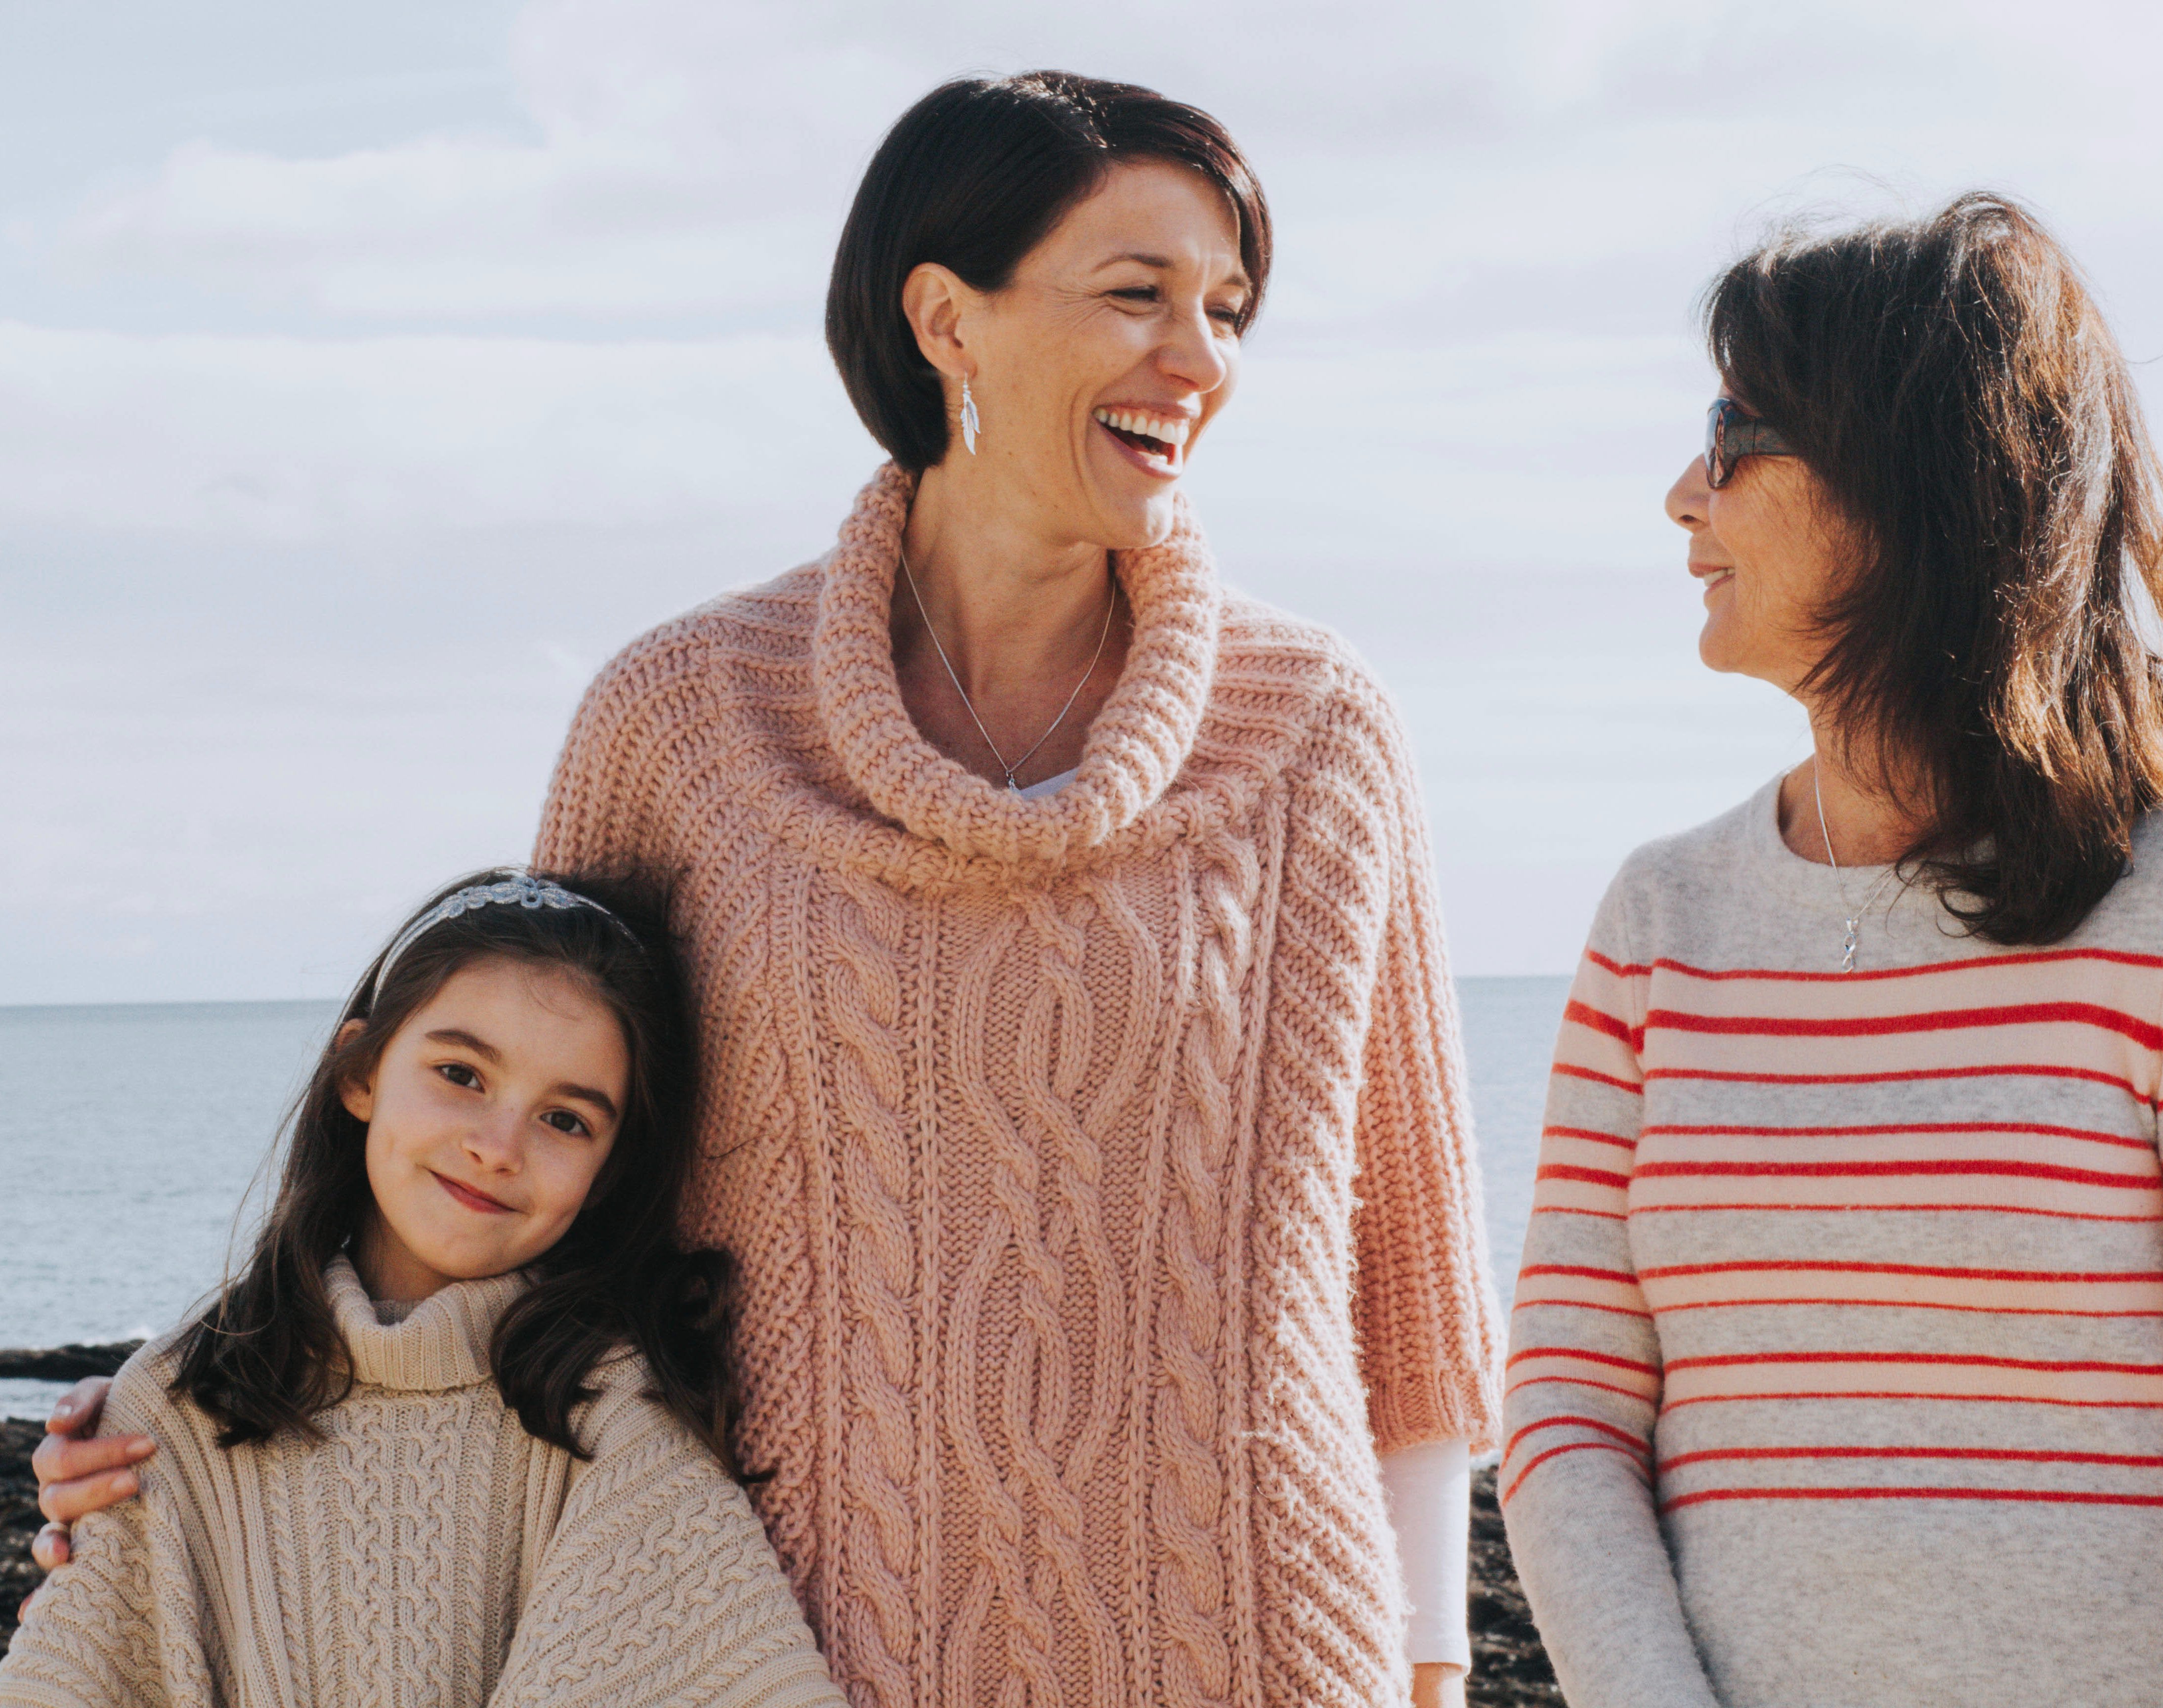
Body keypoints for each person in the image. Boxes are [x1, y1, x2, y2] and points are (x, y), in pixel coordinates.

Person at [39, 74, 1504, 1708]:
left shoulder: (1317, 730)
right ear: (946, 316)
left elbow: (1408, 1297)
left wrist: (1435, 1664)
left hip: (1258, 1650)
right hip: (776, 1653)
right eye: (1137, 294)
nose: (1201, 359)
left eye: (1228, 309)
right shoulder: (682, 723)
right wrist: (183, 1406)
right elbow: (510, 1176)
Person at [1497, 191, 2163, 1707]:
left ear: (1909, 484)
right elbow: (1563, 1423)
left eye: (1735, 432)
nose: (1685, 494)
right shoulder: (1657, 922)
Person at [5, 869, 847, 1708]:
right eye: (462, 1074)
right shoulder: (176, 1411)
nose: (499, 1145)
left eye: (566, 1120)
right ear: (359, 1074)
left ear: (607, 1172)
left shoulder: (617, 1417)